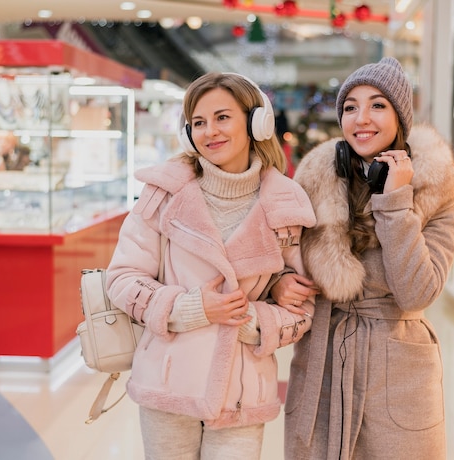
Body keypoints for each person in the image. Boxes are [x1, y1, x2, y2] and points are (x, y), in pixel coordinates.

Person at [105, 72, 317, 460]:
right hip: (169, 383)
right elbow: (121, 278)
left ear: (256, 123)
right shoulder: (163, 194)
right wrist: (189, 308)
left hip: (240, 391)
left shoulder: (286, 204)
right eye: (198, 122)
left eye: (222, 117)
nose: (209, 132)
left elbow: (303, 308)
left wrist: (255, 318)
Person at [271, 57, 454, 459]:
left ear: (401, 116)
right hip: (322, 368)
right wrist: (278, 283)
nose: (362, 118)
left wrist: (395, 203)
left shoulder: (439, 187)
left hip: (397, 373)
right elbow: (276, 255)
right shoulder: (313, 177)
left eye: (378, 105)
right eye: (350, 107)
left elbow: (416, 293)